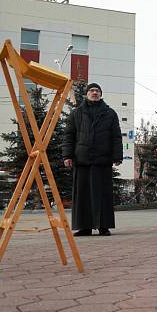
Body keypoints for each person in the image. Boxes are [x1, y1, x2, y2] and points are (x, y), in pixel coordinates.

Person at [62, 83, 122, 237]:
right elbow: (69, 135)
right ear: (86, 93)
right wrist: (67, 155)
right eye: (92, 90)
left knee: (103, 194)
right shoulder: (76, 113)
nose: (94, 93)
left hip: (103, 159)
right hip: (82, 159)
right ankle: (84, 227)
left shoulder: (110, 113)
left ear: (101, 94)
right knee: (82, 195)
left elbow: (116, 136)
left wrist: (117, 156)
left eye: (97, 91)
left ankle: (104, 226)